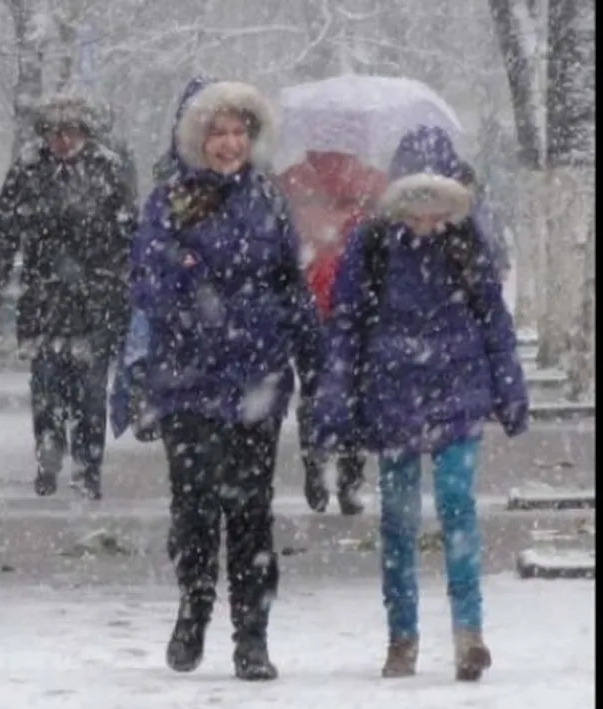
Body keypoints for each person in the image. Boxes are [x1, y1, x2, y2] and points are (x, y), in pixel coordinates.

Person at [123, 76, 323, 680]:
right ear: (196, 138)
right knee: (194, 507)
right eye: (218, 132)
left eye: (239, 132)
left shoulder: (268, 199)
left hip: (257, 378)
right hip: (188, 383)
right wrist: (191, 285)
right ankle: (194, 607)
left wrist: (317, 366)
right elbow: (148, 285)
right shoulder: (169, 201)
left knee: (251, 513)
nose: (229, 144)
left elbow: (291, 286)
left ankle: (252, 637)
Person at [312, 125, 529, 682]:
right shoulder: (374, 243)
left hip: (458, 393)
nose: (425, 216)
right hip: (394, 398)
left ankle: (469, 636)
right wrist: (335, 402)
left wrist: (509, 388)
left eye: (437, 201)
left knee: (458, 506)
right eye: (416, 200)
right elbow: (347, 327)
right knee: (399, 520)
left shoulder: (468, 242)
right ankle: (401, 637)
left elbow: (493, 319)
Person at [0, 95, 137, 501]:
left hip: (94, 300)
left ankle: (88, 466)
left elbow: (129, 233)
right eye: (54, 132)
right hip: (44, 298)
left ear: (85, 132)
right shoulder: (28, 171)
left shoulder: (108, 169)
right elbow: (2, 231)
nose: (62, 140)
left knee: (90, 390)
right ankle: (48, 452)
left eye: (70, 132)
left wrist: (128, 281)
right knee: (47, 386)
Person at [277, 150, 388, 515]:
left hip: (327, 305)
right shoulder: (369, 184)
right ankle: (344, 476)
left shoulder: (294, 181)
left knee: (321, 393)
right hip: (337, 307)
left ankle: (323, 465)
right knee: (346, 393)